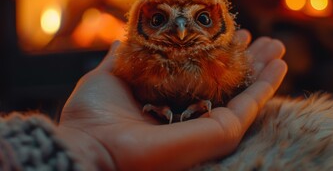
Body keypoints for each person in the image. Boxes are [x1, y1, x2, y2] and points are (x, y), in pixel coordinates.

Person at [0, 30, 287, 170]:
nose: (182, 31)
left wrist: (90, 145)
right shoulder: (138, 59)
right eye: (159, 19)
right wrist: (94, 143)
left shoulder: (223, 61)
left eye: (201, 18)